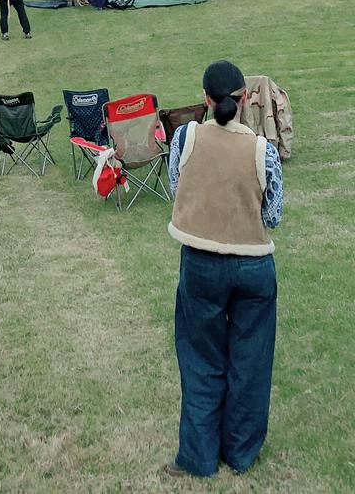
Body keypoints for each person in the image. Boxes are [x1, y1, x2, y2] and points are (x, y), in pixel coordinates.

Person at [165, 60, 283, 481]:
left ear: (205, 99)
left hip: (200, 263)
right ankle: (241, 452)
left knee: (201, 359)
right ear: (246, 98)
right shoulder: (261, 149)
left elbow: (178, 189)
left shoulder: (185, 137)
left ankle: (198, 456)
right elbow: (273, 214)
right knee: (250, 361)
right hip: (253, 266)